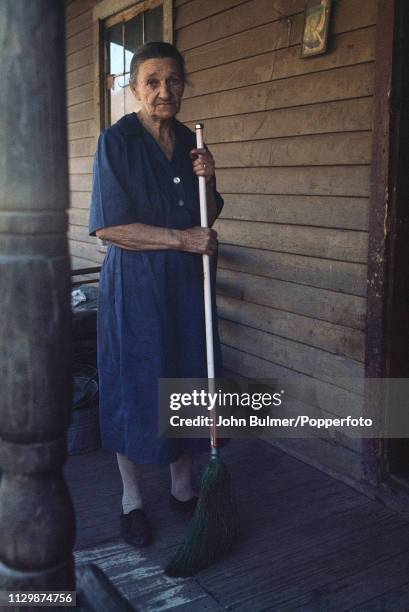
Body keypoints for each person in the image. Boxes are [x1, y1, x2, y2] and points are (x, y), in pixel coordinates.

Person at [88, 42, 225, 548]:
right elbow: (108, 228)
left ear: (184, 84)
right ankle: (131, 500)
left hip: (187, 286)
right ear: (134, 89)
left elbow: (206, 218)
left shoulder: (193, 141)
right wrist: (182, 239)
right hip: (136, 287)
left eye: (173, 80)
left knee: (187, 378)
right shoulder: (116, 142)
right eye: (152, 82)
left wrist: (209, 177)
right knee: (134, 388)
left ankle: (183, 489)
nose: (164, 91)